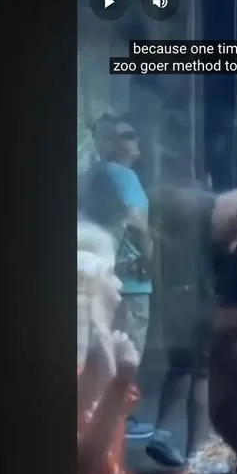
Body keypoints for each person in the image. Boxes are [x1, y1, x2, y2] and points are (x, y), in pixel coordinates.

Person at [80, 117, 154, 356]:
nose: (136, 140)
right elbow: (136, 223)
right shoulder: (125, 176)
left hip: (99, 277)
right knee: (128, 353)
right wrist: (149, 258)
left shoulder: (89, 175)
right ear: (111, 144)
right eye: (128, 136)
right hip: (131, 281)